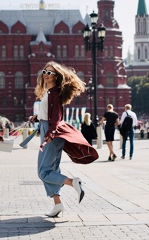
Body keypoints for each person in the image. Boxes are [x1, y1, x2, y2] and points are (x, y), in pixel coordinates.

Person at [29, 61, 98, 217]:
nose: (46, 75)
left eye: (49, 73)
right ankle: (57, 204)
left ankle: (73, 182)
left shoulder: (55, 92)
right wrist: (37, 117)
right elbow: (49, 112)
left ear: (56, 76)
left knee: (44, 172)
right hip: (49, 128)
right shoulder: (49, 91)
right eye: (44, 72)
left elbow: (57, 115)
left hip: (52, 132)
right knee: (50, 170)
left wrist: (51, 132)